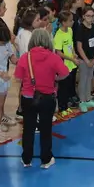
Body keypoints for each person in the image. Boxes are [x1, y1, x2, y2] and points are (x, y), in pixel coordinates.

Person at [14, 28, 70, 169]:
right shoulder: (53, 57)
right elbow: (65, 72)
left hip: (28, 97)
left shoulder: (25, 57)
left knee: (28, 129)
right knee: (46, 129)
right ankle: (46, 159)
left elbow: (18, 77)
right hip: (47, 97)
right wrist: (55, 78)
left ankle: (27, 159)